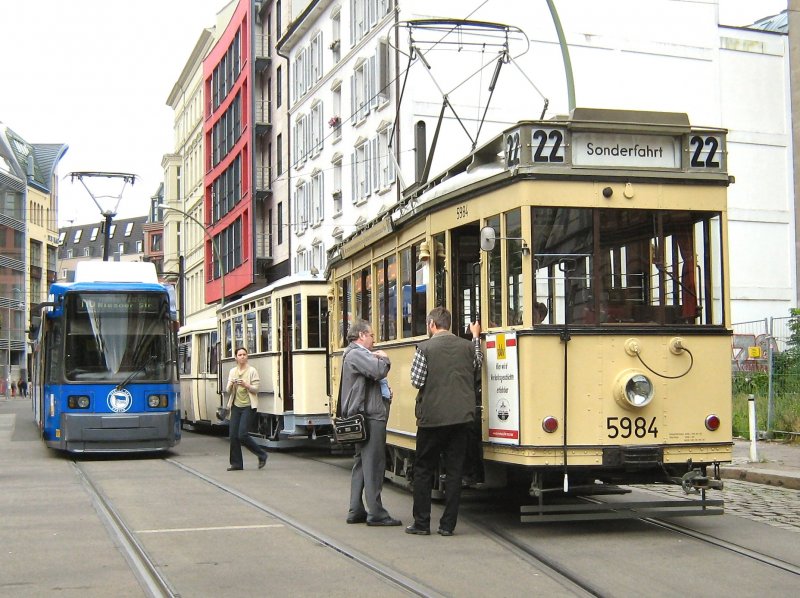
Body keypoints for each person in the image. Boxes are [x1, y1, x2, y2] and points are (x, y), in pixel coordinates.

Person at [405, 307, 482, 537]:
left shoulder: (424, 348)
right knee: (455, 471)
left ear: (431, 325)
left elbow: (416, 381)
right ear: (448, 324)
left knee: (423, 470)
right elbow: (477, 365)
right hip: (461, 418)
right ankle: (448, 525)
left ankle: (422, 523)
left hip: (432, 419)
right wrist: (476, 338)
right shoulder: (467, 347)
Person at [340, 319, 401, 527]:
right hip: (369, 416)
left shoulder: (355, 354)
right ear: (362, 336)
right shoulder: (356, 353)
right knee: (374, 464)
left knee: (361, 463)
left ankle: (356, 509)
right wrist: (385, 358)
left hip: (363, 414)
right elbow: (378, 371)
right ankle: (376, 513)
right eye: (372, 335)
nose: (374, 340)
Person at [225, 347, 269, 471]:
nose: (242, 356)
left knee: (242, 434)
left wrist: (246, 385)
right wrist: (232, 384)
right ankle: (236, 463)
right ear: (236, 358)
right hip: (236, 406)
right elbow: (228, 390)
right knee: (233, 435)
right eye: (240, 355)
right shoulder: (233, 371)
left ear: (247, 357)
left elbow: (256, 389)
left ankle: (262, 454)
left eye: (244, 354)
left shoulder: (252, 371)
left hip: (249, 406)